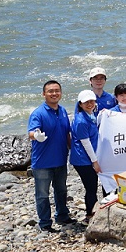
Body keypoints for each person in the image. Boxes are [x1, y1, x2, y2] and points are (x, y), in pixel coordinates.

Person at [27, 80, 75, 232]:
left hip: (61, 159)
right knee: (42, 194)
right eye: (50, 91)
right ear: (44, 94)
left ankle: (62, 215)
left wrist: (72, 150)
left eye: (57, 91)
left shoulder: (62, 111)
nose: (54, 94)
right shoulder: (38, 113)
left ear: (61, 93)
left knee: (61, 190)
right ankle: (45, 223)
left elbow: (67, 133)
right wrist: (36, 135)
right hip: (42, 163)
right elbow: (31, 133)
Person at [70, 90, 101, 222]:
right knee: (91, 187)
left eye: (92, 101)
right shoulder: (81, 121)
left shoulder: (90, 115)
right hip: (83, 160)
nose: (90, 104)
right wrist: (95, 162)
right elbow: (86, 143)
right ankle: (90, 215)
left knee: (92, 186)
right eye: (86, 102)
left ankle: (92, 212)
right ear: (80, 104)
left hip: (86, 158)